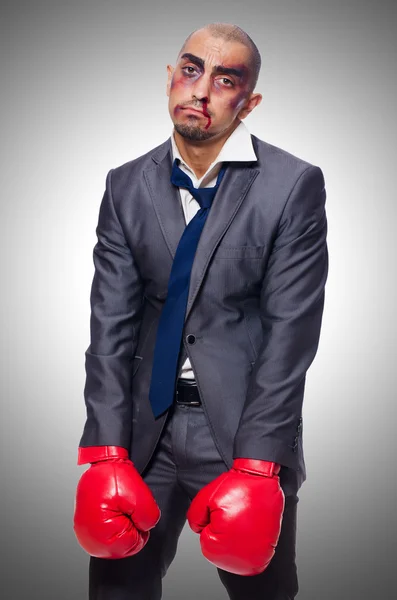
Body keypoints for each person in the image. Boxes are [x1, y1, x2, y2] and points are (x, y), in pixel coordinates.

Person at [73, 22, 329, 600]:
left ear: (249, 102)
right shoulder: (125, 186)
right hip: (144, 433)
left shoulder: (291, 186)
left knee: (264, 592)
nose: (201, 89)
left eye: (225, 78)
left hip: (241, 434)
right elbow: (109, 328)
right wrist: (105, 447)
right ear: (171, 78)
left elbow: (291, 336)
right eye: (191, 70)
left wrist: (259, 464)